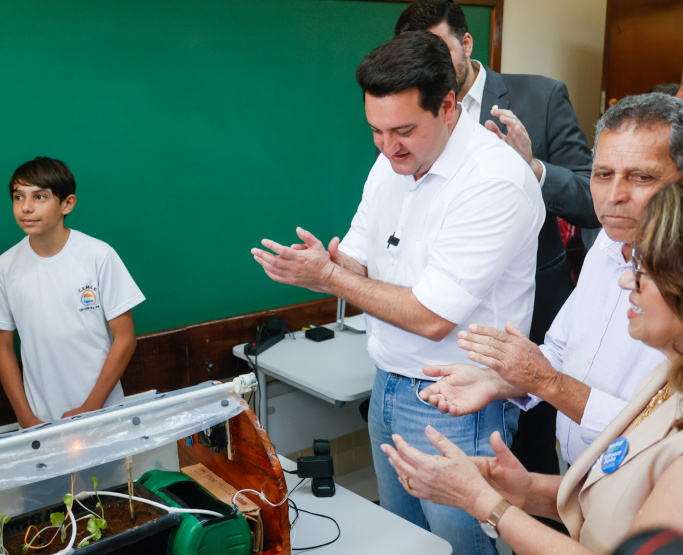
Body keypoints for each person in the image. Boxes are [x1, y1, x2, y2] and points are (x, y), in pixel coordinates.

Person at [251, 31, 543, 554]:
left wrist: (332, 279)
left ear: (450, 106)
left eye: (404, 130)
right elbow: (359, 256)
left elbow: (433, 317)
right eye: (376, 131)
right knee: (404, 539)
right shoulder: (391, 162)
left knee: (461, 545)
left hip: (456, 401)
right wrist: (325, 263)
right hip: (386, 384)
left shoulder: (493, 181)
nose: (388, 147)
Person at [381, 182, 683, 554]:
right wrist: (529, 492)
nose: (624, 280)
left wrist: (484, 503)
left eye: (644, 270)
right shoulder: (666, 377)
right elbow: (618, 493)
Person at [419, 93, 683, 467]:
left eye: (641, 177)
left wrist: (546, 382)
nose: (614, 196)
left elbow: (664, 431)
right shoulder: (608, 242)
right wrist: (496, 380)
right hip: (580, 480)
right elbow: (560, 353)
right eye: (603, 175)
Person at [396, 0, 599, 479]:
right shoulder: (407, 114)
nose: (431, 66)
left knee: (530, 457)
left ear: (467, 44)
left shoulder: (541, 97)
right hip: (442, 320)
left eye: (441, 49)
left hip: (529, 317)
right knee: (455, 472)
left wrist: (533, 170)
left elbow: (595, 199)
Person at [0, 157, 143, 428]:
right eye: (18, 197)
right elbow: (3, 349)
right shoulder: (3, 268)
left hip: (103, 412)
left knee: (112, 472)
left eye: (39, 197)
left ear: (67, 204)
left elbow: (125, 338)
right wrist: (25, 417)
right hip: (39, 419)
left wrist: (90, 407)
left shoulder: (98, 255)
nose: (26, 208)